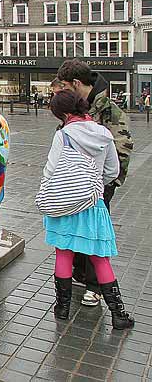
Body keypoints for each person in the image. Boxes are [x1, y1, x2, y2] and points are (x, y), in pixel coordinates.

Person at [42, 90, 134, 330]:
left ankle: (61, 308)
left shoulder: (63, 135)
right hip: (93, 204)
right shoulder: (103, 133)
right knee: (100, 258)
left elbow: (51, 170)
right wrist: (94, 183)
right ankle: (119, 314)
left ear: (62, 113)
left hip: (66, 205)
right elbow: (113, 172)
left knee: (63, 254)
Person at [57, 59, 134, 307]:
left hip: (98, 187)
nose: (64, 90)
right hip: (73, 187)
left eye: (67, 85)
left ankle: (95, 286)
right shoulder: (77, 107)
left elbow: (122, 151)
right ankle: (79, 276)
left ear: (77, 83)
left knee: (94, 234)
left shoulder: (110, 111)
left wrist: (105, 185)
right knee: (76, 231)